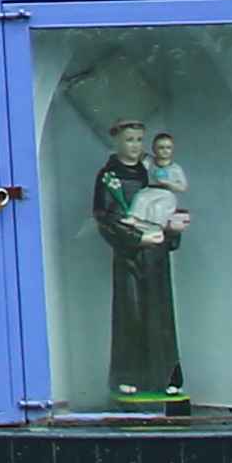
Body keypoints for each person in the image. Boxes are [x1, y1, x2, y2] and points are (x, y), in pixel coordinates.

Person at [92, 120, 190, 409]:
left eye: (138, 139)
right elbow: (104, 217)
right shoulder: (108, 176)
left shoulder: (152, 172)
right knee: (130, 316)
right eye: (129, 139)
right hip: (130, 259)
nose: (135, 145)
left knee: (161, 317)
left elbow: (168, 204)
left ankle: (166, 378)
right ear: (117, 141)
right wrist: (135, 239)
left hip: (157, 257)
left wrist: (173, 229)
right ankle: (128, 377)